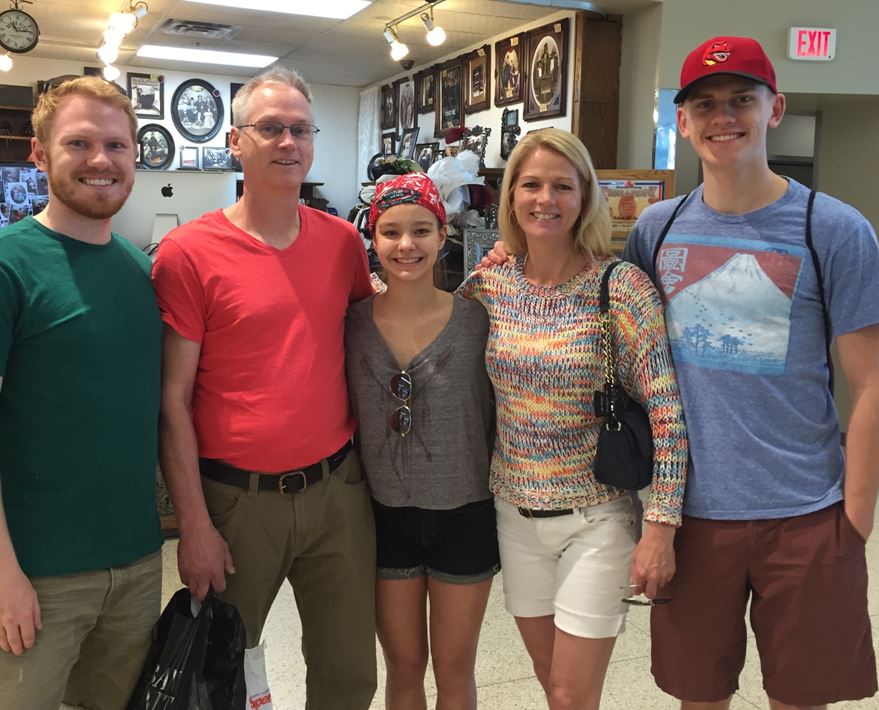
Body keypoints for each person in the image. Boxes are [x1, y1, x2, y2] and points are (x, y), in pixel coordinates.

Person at [622, 36, 879, 709]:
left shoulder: (834, 229)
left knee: (801, 695)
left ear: (774, 108)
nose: (722, 116)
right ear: (682, 121)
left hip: (806, 513)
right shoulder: (656, 228)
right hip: (690, 515)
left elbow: (870, 379)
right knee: (696, 694)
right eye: (703, 103)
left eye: (741, 98)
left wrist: (853, 514)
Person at [152, 67, 377, 709]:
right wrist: (192, 521)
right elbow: (173, 399)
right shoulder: (188, 253)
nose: (287, 143)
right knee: (222, 672)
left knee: (349, 670)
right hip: (236, 502)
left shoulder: (341, 243)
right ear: (235, 142)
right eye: (270, 128)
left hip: (337, 492)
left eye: (299, 129)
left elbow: (378, 330)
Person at [460, 127, 688, 709]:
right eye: (530, 184)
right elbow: (426, 328)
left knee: (569, 695)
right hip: (514, 515)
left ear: (585, 197)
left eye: (562, 186)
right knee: (547, 677)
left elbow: (666, 412)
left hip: (597, 518)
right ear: (510, 195)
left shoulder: (622, 288)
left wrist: (661, 525)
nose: (545, 199)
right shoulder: (489, 285)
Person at [0, 76, 163, 709]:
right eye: (79, 143)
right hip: (37, 572)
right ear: (39, 154)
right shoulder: (11, 264)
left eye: (117, 146)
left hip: (137, 561)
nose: (102, 160)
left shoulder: (139, 268)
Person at [345, 173, 499, 710]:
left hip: (466, 513)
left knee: (455, 668)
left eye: (420, 231)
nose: (405, 245)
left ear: (443, 234)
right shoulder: (350, 323)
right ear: (372, 238)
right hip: (385, 516)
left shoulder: (478, 319)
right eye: (390, 232)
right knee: (404, 666)